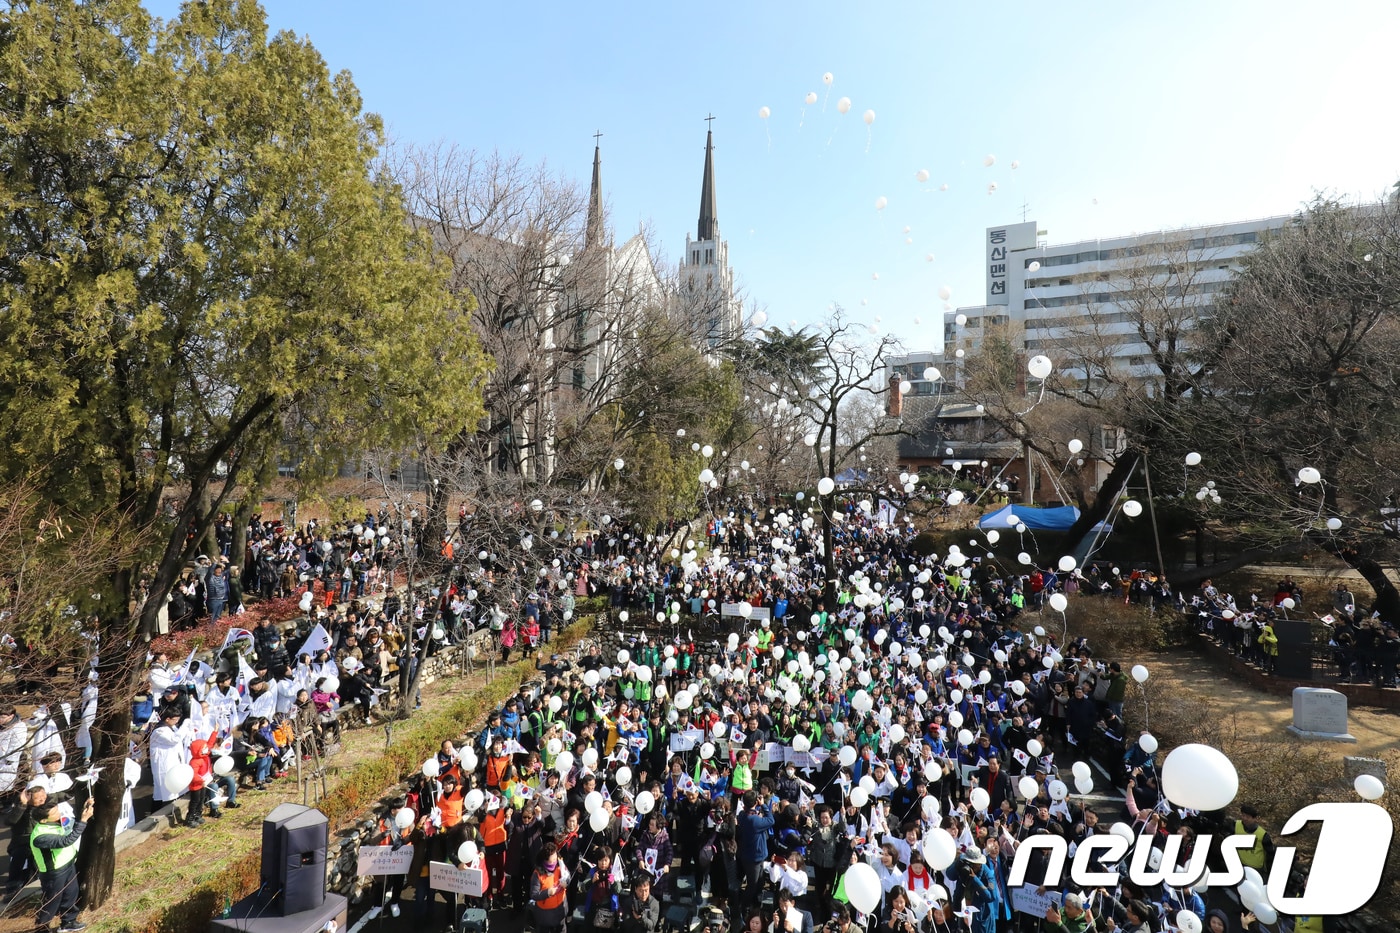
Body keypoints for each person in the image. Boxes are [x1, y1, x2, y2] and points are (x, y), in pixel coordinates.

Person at [30, 793, 94, 932]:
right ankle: (42, 928)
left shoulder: (57, 821)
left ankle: (68, 922)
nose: (59, 812)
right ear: (44, 820)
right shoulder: (40, 836)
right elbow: (66, 841)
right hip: (54, 873)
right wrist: (84, 821)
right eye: (54, 812)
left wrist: (84, 808)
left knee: (71, 894)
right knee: (52, 902)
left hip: (68, 865)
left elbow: (72, 825)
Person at [530, 841, 571, 933]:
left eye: (556, 858)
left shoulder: (560, 865)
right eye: (552, 860)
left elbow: (568, 876)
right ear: (545, 859)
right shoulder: (537, 874)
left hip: (561, 908)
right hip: (545, 914)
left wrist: (567, 882)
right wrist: (547, 893)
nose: (555, 861)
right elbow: (534, 895)